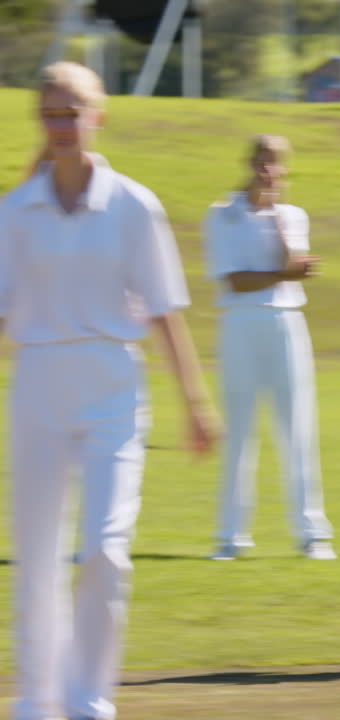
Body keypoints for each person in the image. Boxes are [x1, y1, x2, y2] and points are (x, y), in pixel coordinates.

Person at [0, 61, 221, 720]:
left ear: (98, 117)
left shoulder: (133, 205)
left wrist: (196, 403)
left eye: (74, 112)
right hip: (37, 382)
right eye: (52, 113)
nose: (63, 124)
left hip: (112, 386)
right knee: (37, 555)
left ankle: (89, 699)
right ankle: (41, 701)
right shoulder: (15, 210)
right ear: (40, 119)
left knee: (104, 548)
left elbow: (163, 310)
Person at [202, 134, 335, 561]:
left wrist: (276, 223)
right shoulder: (222, 215)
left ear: (284, 170)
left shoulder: (293, 215)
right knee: (240, 431)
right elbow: (235, 280)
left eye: (275, 163)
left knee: (297, 430)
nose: (267, 170)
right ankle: (230, 536)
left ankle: (312, 535)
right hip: (239, 325)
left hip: (286, 323)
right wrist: (287, 274)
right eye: (261, 161)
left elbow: (291, 264)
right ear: (249, 163)